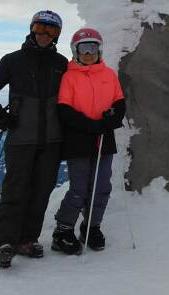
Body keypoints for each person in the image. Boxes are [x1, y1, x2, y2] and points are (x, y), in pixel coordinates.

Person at [0, 10, 67, 268]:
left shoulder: (62, 64)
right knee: (15, 190)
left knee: (41, 192)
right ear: (31, 29)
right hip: (20, 139)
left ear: (57, 36)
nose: (45, 35)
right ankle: (4, 243)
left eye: (52, 31)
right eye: (41, 28)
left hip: (52, 140)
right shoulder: (13, 61)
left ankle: (27, 239)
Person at [51, 27, 125, 255]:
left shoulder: (109, 75)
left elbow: (119, 102)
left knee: (102, 186)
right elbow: (64, 109)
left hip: (104, 137)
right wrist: (90, 125)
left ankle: (92, 226)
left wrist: (112, 119)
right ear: (75, 51)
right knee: (79, 188)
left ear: (100, 50)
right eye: (84, 48)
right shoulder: (69, 77)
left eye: (93, 48)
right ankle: (63, 230)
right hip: (78, 139)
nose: (89, 53)